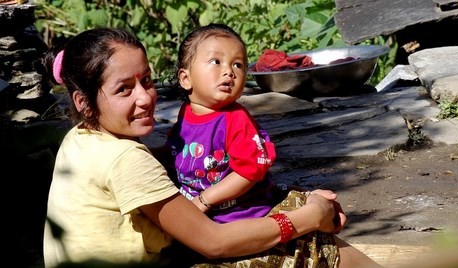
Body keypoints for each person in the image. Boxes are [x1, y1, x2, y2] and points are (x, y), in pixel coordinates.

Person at [41, 27, 381, 268]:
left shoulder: (80, 139)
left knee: (290, 204)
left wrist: (294, 200)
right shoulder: (125, 159)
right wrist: (307, 217)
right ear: (84, 102)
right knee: (303, 241)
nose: (145, 98)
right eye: (124, 90)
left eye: (145, 81)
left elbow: (178, 161)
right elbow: (214, 243)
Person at [163, 23, 276, 223]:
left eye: (238, 65)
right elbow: (177, 150)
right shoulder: (186, 113)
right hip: (197, 206)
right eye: (216, 61)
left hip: (238, 214)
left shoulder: (235, 119)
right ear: (185, 78)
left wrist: (204, 201)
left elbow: (248, 172)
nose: (229, 72)